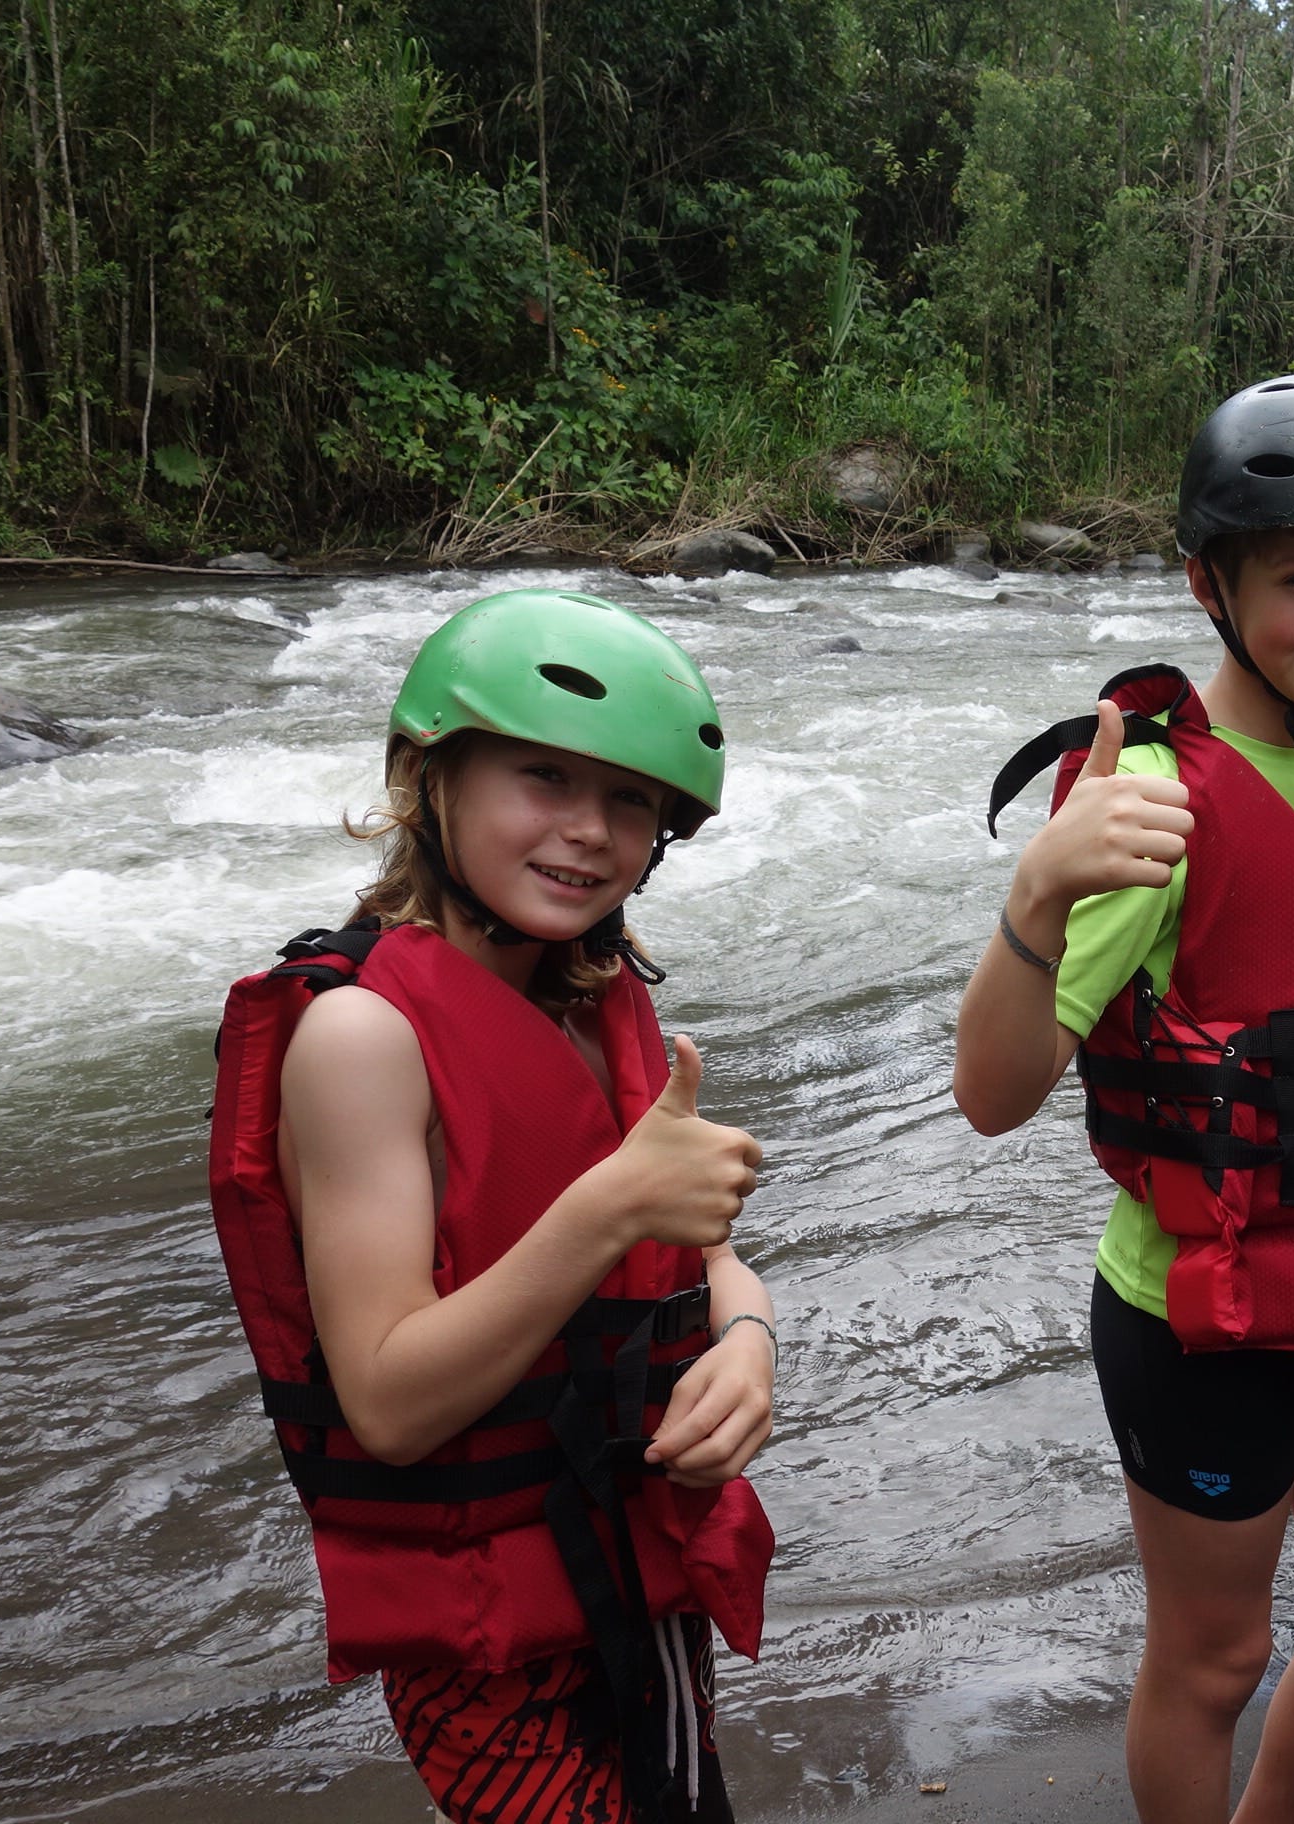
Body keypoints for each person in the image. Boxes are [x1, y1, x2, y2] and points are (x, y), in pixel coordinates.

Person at [954, 375, 1294, 1824]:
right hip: (1193, 1314)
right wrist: (1037, 893)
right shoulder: (1152, 795)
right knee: (1213, 1661)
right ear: (1211, 583)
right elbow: (992, 1095)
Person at [206, 589, 779, 1824]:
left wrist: (746, 1336)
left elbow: (703, 1259)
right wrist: (607, 1208)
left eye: (630, 799)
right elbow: (389, 1401)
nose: (589, 831)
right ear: (432, 781)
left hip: (637, 1564)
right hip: (486, 1642)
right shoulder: (361, 1038)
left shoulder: (593, 998)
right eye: (543, 778)